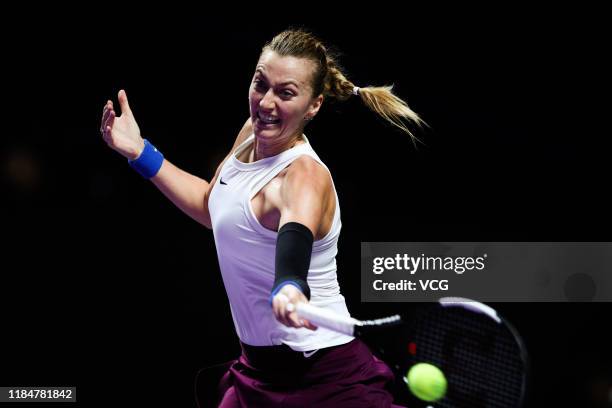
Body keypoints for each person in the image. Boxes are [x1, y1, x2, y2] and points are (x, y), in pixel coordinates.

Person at [100, 28, 422, 408]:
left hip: (323, 376)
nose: (266, 103)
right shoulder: (252, 135)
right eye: (260, 84)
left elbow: (294, 242)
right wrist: (139, 151)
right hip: (257, 372)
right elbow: (210, 204)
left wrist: (288, 287)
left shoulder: (304, 176)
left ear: (314, 105)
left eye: (285, 93)